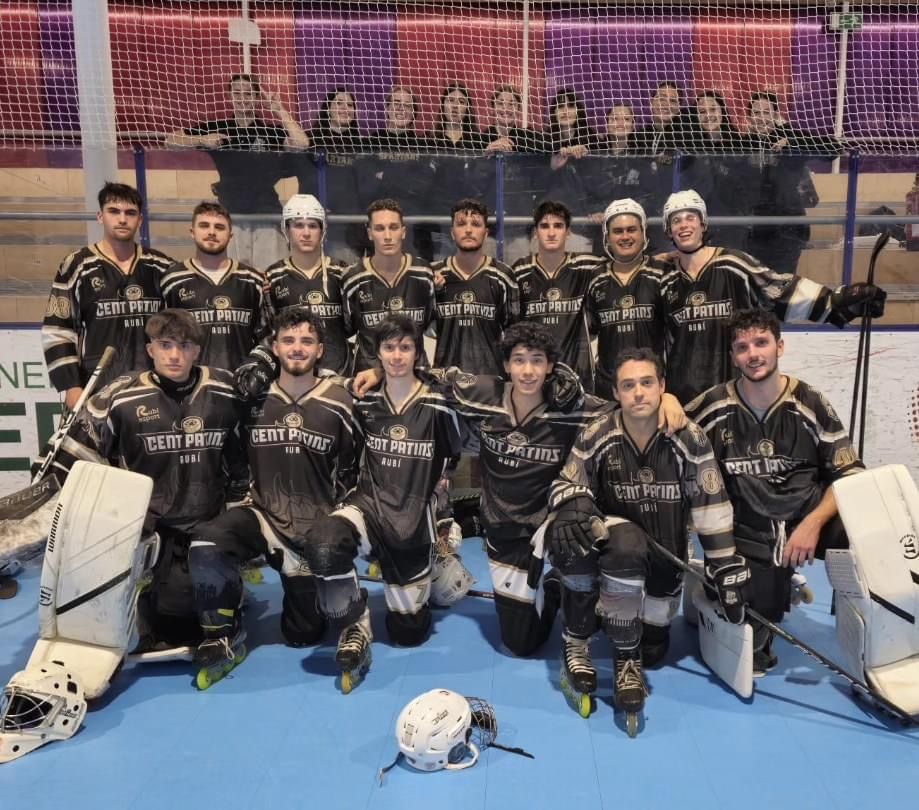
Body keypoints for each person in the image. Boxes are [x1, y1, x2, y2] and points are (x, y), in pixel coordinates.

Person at [547, 347, 740, 722]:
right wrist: (574, 502)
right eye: (628, 385)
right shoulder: (597, 433)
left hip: (664, 565)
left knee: (656, 649)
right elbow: (565, 482)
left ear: (662, 387)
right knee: (574, 530)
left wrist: (724, 568)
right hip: (617, 550)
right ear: (616, 393)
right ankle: (596, 646)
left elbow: (710, 505)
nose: (638, 393)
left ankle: (625, 633)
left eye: (647, 383)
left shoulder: (689, 437)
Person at [55, 309, 248, 648]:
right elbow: (78, 450)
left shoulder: (225, 390)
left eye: (184, 346)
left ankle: (228, 583)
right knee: (172, 627)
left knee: (203, 618)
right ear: (150, 350)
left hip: (209, 523)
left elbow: (245, 451)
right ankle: (152, 585)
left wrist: (237, 512)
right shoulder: (120, 396)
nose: (175, 355)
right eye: (165, 345)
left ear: (197, 352)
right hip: (153, 527)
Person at [686, 309, 864, 672]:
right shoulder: (714, 405)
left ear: (779, 346)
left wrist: (812, 524)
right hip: (748, 527)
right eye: (742, 347)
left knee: (868, 535)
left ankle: (869, 634)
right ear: (733, 356)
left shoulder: (810, 402)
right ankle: (734, 585)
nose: (753, 354)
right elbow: (669, 436)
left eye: (761, 343)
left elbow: (849, 474)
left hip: (805, 517)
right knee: (756, 639)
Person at [187, 308, 358, 676]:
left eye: (307, 341)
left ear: (320, 350)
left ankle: (347, 613)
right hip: (263, 516)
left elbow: (355, 467)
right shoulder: (250, 398)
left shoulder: (342, 400)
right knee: (206, 544)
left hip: (316, 529)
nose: (298, 348)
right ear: (275, 348)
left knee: (304, 635)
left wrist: (341, 525)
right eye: (289, 340)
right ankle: (221, 633)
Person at [304, 315, 463, 687]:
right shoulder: (363, 397)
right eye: (389, 348)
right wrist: (372, 373)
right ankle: (355, 626)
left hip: (412, 524)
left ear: (417, 353)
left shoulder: (440, 401)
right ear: (377, 354)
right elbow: (314, 378)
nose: (396, 356)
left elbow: (452, 457)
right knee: (324, 545)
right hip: (370, 509)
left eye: (405, 348)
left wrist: (442, 510)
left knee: (409, 634)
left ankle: (436, 562)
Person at [657, 188, 886, 404]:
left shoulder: (733, 265)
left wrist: (838, 301)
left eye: (690, 217)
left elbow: (779, 291)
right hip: (682, 401)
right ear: (668, 229)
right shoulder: (665, 281)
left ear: (702, 222)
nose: (684, 225)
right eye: (676, 220)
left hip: (733, 398)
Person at [41, 182, 172, 409]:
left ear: (140, 220)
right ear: (100, 216)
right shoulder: (78, 265)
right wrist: (71, 387)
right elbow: (58, 330)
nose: (122, 219)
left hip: (153, 386)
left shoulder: (161, 266)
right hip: (96, 387)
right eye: (114, 211)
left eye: (130, 213)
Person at [164, 73, 308, 267]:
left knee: (270, 281)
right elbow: (170, 141)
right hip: (230, 218)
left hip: (267, 216)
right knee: (234, 282)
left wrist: (279, 111)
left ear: (257, 98)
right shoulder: (219, 128)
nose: (242, 98)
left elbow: (301, 144)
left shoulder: (269, 131)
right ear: (229, 96)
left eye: (248, 94)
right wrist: (201, 140)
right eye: (237, 93)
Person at [160, 202, 270, 374]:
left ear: (230, 235)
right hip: (191, 387)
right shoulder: (172, 280)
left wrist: (255, 370)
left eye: (219, 227)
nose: (212, 232)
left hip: (241, 386)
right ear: (192, 232)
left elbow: (265, 337)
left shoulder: (253, 280)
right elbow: (164, 338)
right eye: (204, 226)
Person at [742, 91, 842, 275]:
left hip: (788, 227)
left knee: (782, 283)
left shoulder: (790, 135)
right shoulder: (744, 143)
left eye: (766, 112)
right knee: (756, 282)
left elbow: (834, 148)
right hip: (754, 229)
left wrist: (793, 142)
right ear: (749, 117)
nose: (761, 118)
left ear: (775, 115)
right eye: (756, 113)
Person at [513, 200, 601, 390]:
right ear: (536, 231)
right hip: (534, 375)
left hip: (578, 373)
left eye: (558, 226)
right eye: (544, 226)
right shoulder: (520, 271)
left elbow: (622, 266)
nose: (551, 233)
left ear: (568, 231)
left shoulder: (586, 266)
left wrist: (656, 259)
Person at [340, 198, 435, 372]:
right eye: (379, 228)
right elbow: (347, 329)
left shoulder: (424, 273)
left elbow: (428, 324)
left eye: (393, 227)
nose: (387, 236)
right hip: (367, 378)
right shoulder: (353, 278)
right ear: (369, 233)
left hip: (416, 376)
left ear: (404, 231)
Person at [586, 199, 667, 399]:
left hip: (651, 386)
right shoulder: (595, 279)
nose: (625, 236)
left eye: (632, 230)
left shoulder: (663, 274)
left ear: (643, 233)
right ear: (607, 237)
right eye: (618, 231)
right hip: (608, 388)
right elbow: (591, 332)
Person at [262, 194, 351, 375]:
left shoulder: (342, 272)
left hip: (339, 375)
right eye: (298, 225)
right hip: (294, 377)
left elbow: (352, 326)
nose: (306, 233)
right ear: (286, 230)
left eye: (312, 225)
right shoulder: (272, 277)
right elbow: (269, 332)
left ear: (322, 230)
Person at [432, 198, 519, 376]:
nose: (469, 230)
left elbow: (515, 335)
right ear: (452, 232)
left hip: (491, 381)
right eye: (461, 224)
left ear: (486, 233)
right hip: (444, 381)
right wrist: (432, 294)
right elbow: (420, 329)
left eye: (476, 224)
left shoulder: (503, 276)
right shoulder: (434, 275)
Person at [680, 91, 749, 250]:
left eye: (713, 109)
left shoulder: (741, 145)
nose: (708, 115)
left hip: (733, 228)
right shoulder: (688, 150)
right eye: (702, 112)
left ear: (722, 111)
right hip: (699, 228)